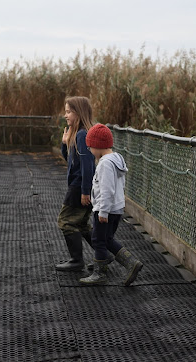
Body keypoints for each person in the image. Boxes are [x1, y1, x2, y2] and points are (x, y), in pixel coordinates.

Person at [79, 123, 143, 286]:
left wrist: (103, 211)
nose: (90, 151)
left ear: (97, 145)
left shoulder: (106, 164)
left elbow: (107, 190)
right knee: (106, 238)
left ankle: (101, 273)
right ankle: (129, 263)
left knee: (99, 239)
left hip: (105, 209)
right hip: (116, 208)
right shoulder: (117, 159)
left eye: (90, 147)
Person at [55, 96, 96, 272]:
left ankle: (77, 260)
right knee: (80, 224)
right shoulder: (78, 134)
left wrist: (85, 191)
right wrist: (65, 144)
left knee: (65, 221)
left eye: (69, 111)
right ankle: (105, 254)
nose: (66, 115)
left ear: (79, 113)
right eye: (66, 111)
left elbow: (88, 167)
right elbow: (71, 162)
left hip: (79, 187)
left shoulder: (82, 135)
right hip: (79, 185)